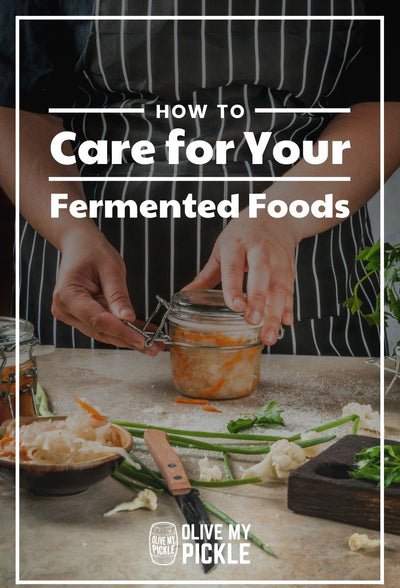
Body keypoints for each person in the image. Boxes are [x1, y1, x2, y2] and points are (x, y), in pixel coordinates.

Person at [0, 0, 399, 356]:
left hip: (302, 242)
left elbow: (386, 98)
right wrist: (70, 231)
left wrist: (281, 216)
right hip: (85, 250)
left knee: (327, 440)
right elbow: (18, 101)